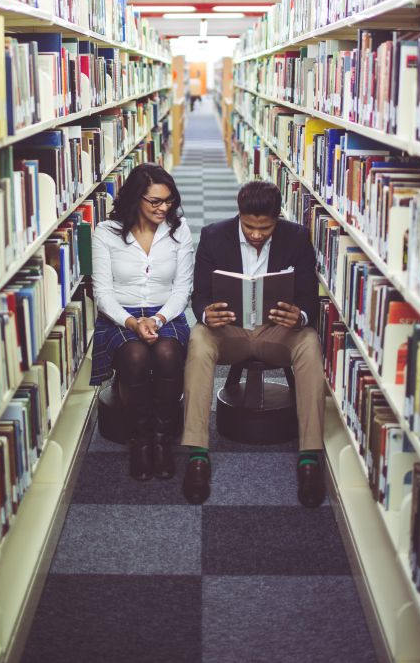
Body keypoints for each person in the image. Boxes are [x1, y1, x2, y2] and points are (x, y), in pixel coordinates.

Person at [181, 180, 325, 507]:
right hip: (230, 331)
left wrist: (299, 316)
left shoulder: (297, 237)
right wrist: (206, 313)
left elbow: (310, 299)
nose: (257, 234)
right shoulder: (214, 236)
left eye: (266, 227)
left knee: (309, 342)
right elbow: (199, 295)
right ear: (239, 215)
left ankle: (309, 457)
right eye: (249, 226)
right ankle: (198, 454)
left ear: (277, 219)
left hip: (277, 332)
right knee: (199, 340)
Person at [91, 163, 193, 482]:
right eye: (155, 202)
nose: (164, 208)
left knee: (166, 354)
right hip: (120, 313)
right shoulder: (105, 233)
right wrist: (133, 323)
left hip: (167, 311)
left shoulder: (180, 230)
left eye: (169, 200)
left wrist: (159, 318)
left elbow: (183, 288)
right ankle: (140, 440)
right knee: (134, 356)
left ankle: (162, 439)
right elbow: (102, 293)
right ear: (136, 198)